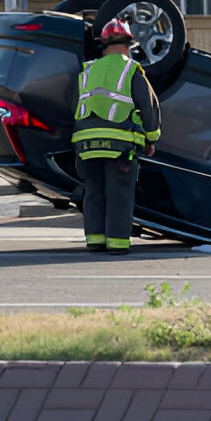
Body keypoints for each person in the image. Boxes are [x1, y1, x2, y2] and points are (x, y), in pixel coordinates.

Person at [71, 18, 161, 254]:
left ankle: (95, 241)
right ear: (129, 44)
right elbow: (148, 106)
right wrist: (151, 138)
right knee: (119, 194)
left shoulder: (87, 70)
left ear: (103, 44)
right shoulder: (131, 69)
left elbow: (76, 105)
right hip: (119, 146)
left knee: (94, 192)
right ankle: (118, 244)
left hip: (86, 144)